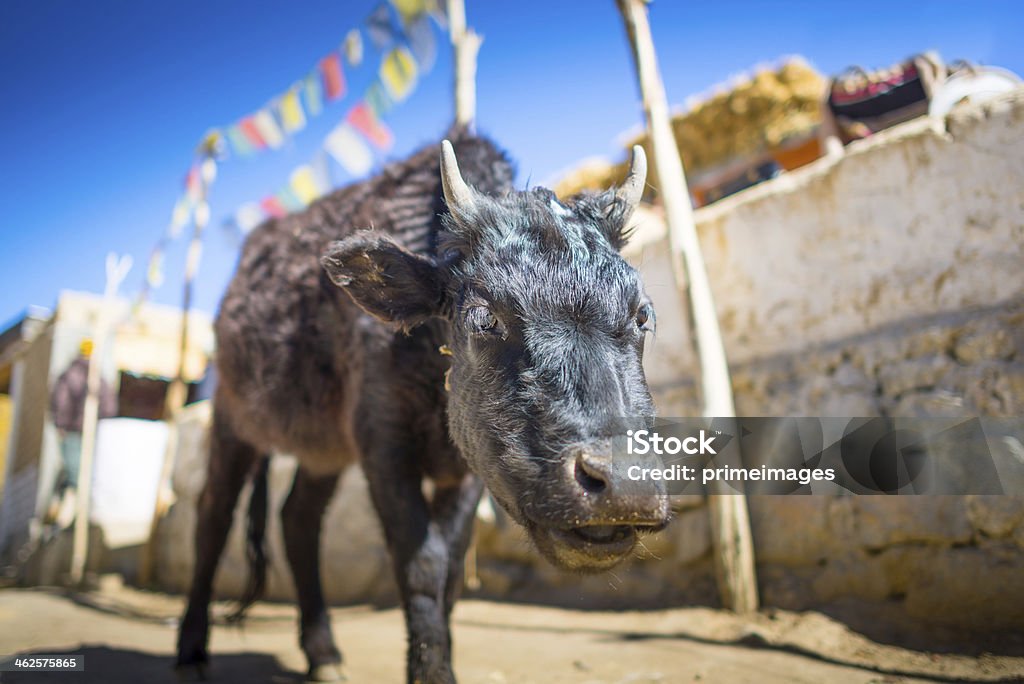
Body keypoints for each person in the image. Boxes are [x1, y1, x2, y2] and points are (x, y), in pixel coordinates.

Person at [46, 338, 118, 524]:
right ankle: (69, 515)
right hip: (85, 433)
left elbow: (59, 403)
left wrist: (61, 425)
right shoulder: (97, 378)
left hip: (72, 432)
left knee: (75, 474)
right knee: (80, 474)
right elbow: (109, 408)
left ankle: (70, 516)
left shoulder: (71, 375)